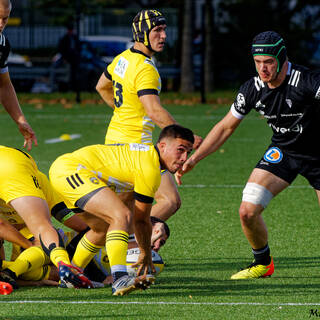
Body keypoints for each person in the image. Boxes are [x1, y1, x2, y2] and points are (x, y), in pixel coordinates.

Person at [176, 30, 320, 279]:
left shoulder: (307, 81)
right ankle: (263, 263)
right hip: (284, 151)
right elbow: (225, 127)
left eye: (269, 62)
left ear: (282, 59)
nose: (263, 69)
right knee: (247, 210)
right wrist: (194, 158)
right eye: (258, 62)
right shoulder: (252, 88)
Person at [49, 124, 194, 295]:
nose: (184, 158)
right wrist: (145, 253)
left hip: (67, 171)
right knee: (120, 215)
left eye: (188, 152)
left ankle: (72, 274)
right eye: (180, 150)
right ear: (162, 146)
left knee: (101, 229)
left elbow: (134, 213)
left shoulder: (145, 160)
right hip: (72, 171)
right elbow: (140, 220)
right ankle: (119, 278)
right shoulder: (150, 167)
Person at [96, 9, 202, 222]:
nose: (163, 36)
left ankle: (103, 246)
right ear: (142, 32)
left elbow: (101, 86)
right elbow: (154, 111)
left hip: (115, 141)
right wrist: (185, 137)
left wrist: (124, 110)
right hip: (137, 148)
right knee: (170, 200)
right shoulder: (145, 69)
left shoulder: (123, 58)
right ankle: (135, 245)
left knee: (123, 209)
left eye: (164, 30)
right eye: (157, 30)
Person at [0, 146, 92, 289]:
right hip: (12, 161)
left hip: (31, 250)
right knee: (43, 234)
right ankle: (63, 265)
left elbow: (72, 219)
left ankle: (14, 270)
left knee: (43, 239)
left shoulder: (37, 180)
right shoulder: (28, 178)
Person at [0, 0, 37, 150]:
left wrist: (20, 120)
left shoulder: (2, 44)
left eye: (5, 18)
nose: (1, 24)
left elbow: (3, 85)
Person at [57, 21, 81, 91]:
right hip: (67, 60)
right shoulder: (64, 39)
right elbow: (61, 49)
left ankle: (73, 89)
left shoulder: (75, 38)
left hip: (74, 60)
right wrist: (64, 58)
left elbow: (79, 48)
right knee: (66, 76)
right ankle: (65, 89)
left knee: (74, 75)